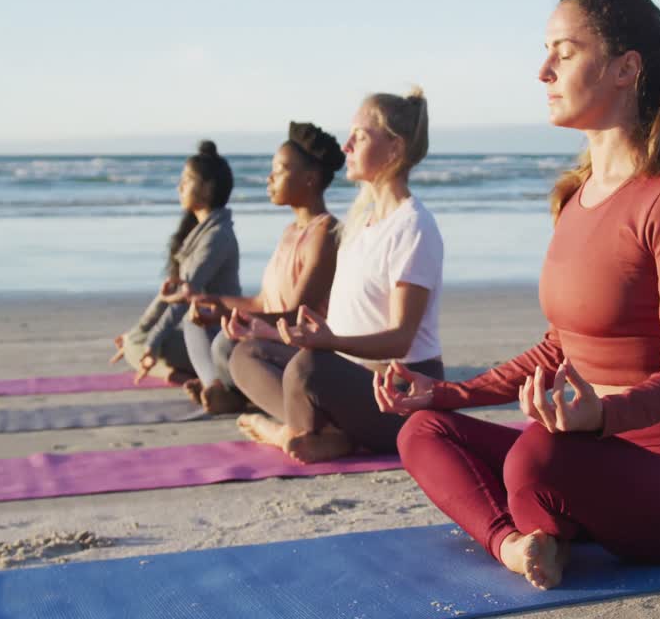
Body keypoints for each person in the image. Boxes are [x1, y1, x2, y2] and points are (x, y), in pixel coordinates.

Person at [375, 0, 660, 591]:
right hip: (587, 458)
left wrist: (601, 414)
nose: (543, 70)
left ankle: (547, 519)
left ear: (626, 69)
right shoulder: (575, 198)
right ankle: (519, 544)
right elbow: (559, 347)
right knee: (423, 431)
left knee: (538, 454)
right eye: (545, 51)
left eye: (564, 53)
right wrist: (442, 392)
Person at [232, 88, 444, 464]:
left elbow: (400, 338)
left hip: (400, 395)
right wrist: (273, 332)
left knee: (308, 367)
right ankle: (326, 435)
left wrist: (328, 343)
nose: (346, 146)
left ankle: (290, 433)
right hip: (349, 376)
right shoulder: (360, 222)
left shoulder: (413, 227)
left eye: (359, 136)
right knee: (246, 354)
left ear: (394, 148)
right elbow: (351, 316)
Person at [181, 122, 344, 414]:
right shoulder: (291, 231)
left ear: (310, 178)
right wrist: (213, 304)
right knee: (194, 319)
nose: (269, 178)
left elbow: (297, 314)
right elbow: (262, 302)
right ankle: (221, 389)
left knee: (226, 344)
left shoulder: (325, 233)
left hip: (301, 347)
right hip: (270, 335)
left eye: (280, 170)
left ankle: (229, 392)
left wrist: (234, 318)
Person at [110, 141, 240, 383]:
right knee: (133, 340)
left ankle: (179, 376)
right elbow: (171, 294)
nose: (180, 186)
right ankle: (175, 370)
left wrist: (150, 342)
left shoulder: (216, 237)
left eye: (187, 179)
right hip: (200, 329)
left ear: (208, 187)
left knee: (137, 343)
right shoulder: (201, 233)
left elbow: (185, 299)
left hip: (216, 336)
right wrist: (141, 334)